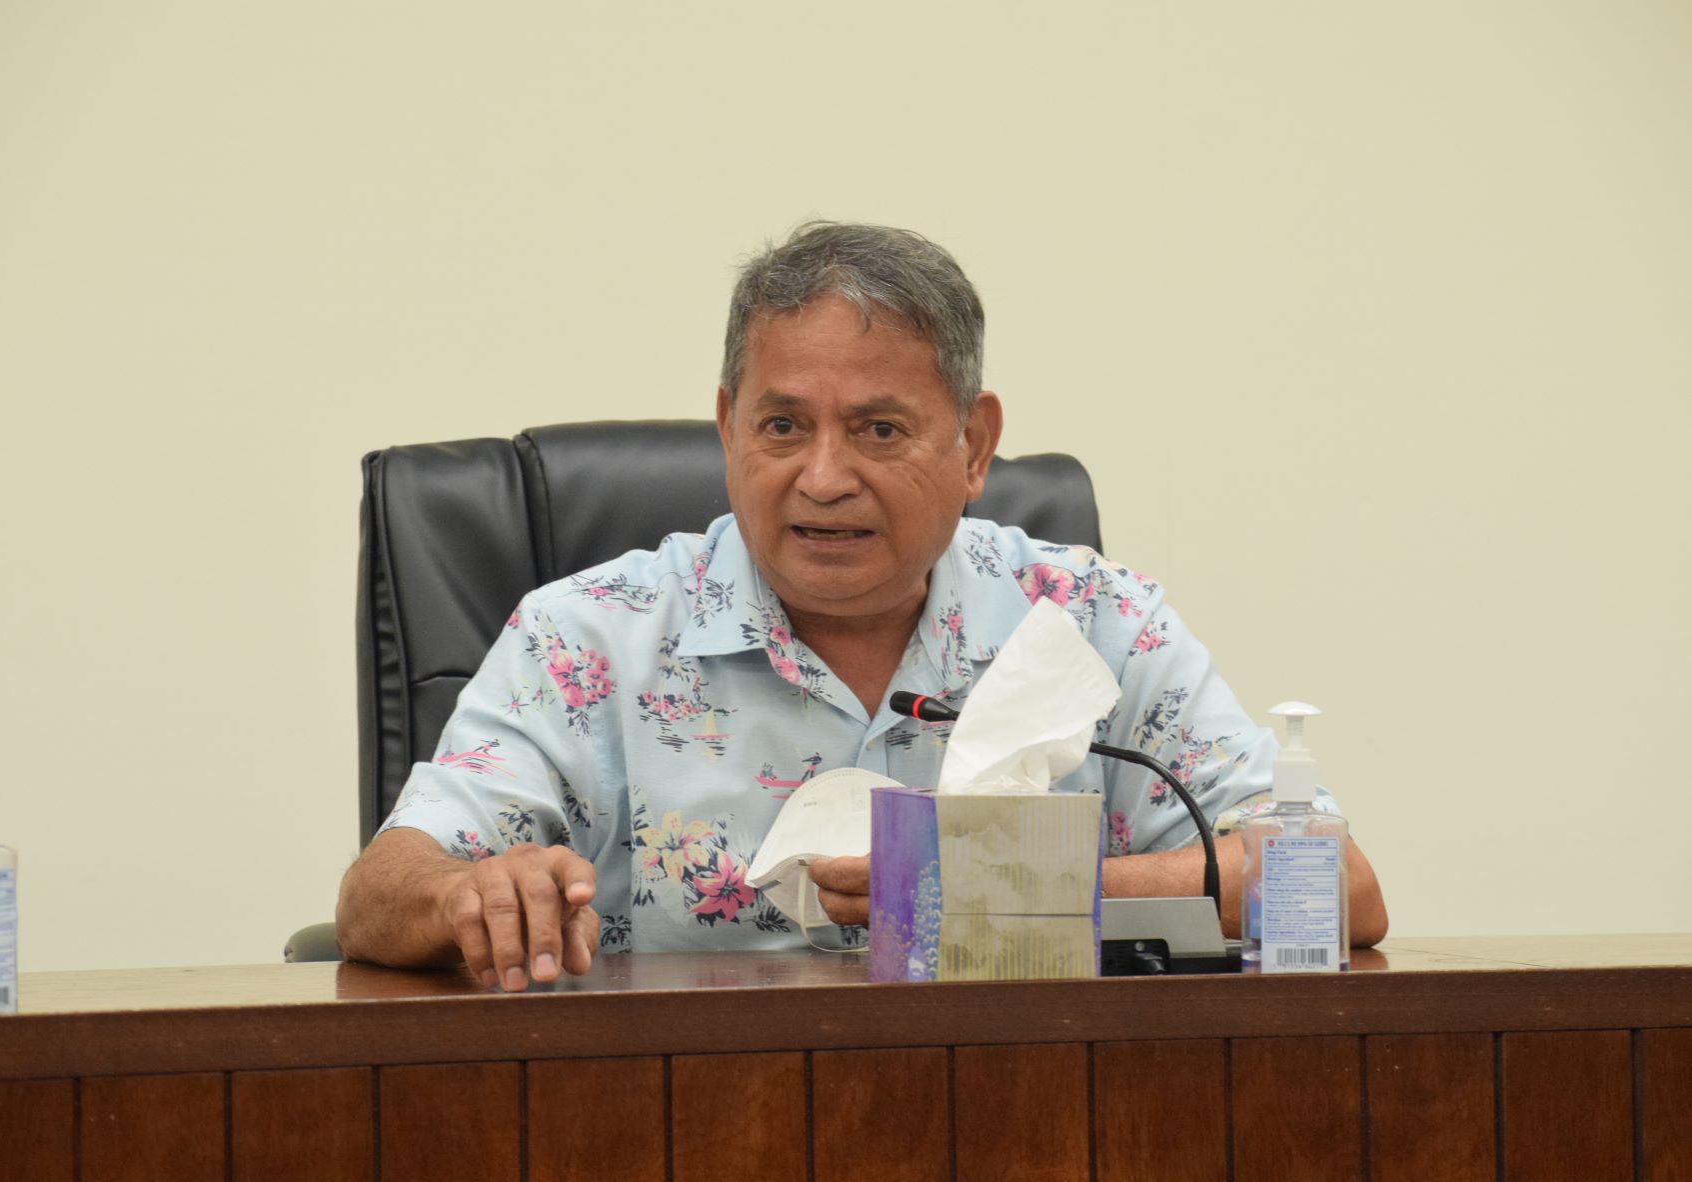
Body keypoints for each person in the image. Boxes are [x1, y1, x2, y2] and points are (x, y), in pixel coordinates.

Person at [336, 222, 1388, 990]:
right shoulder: (589, 637)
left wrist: (995, 885)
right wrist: (459, 897)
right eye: (783, 426)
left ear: (974, 445)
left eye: (880, 431)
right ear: (727, 427)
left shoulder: (1090, 620)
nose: (824, 477)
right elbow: (379, 891)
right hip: (678, 1121)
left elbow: (1338, 888)